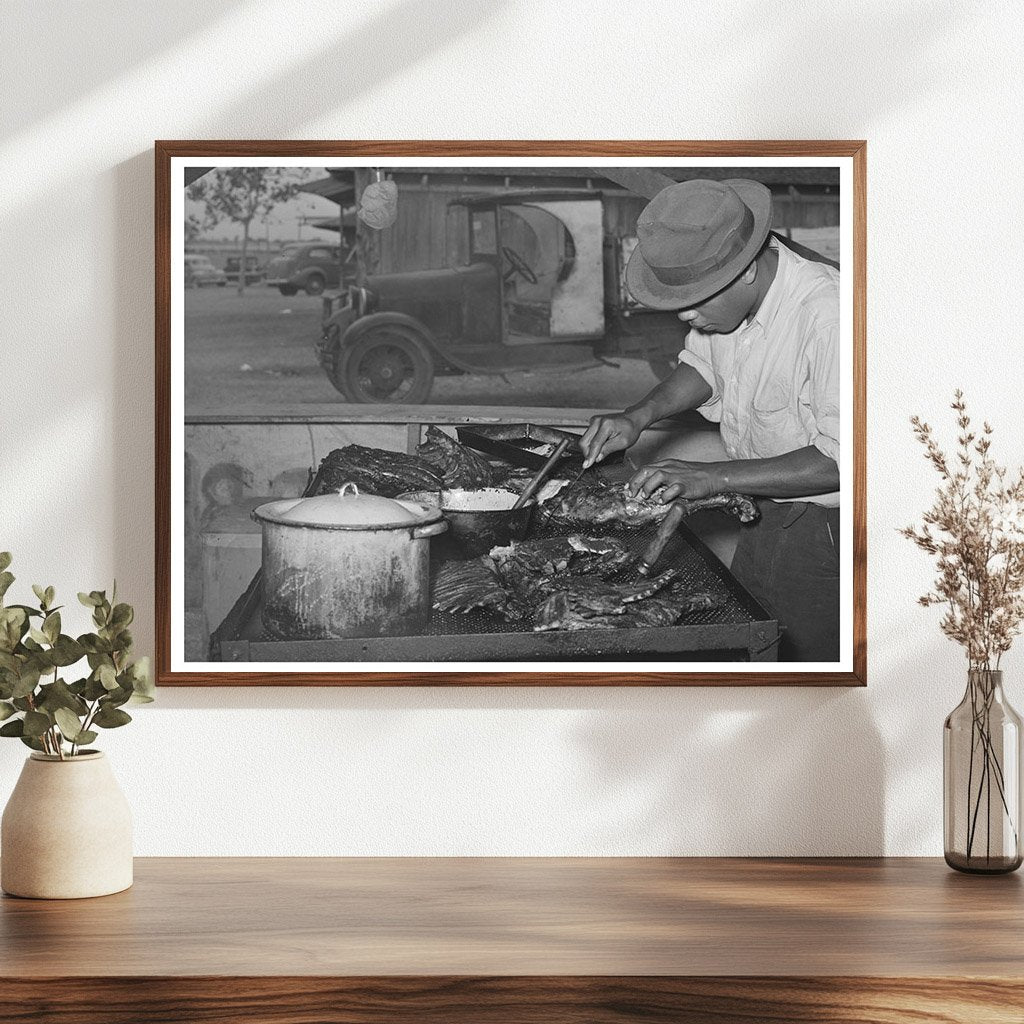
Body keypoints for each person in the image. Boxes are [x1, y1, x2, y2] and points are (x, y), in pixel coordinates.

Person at [579, 178, 840, 662]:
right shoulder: (729, 307)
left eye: (695, 302)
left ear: (744, 273)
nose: (685, 317)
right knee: (751, 653)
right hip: (765, 513)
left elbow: (844, 461)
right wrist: (637, 416)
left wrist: (712, 475)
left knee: (806, 682)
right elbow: (702, 367)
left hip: (827, 535)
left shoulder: (829, 315)